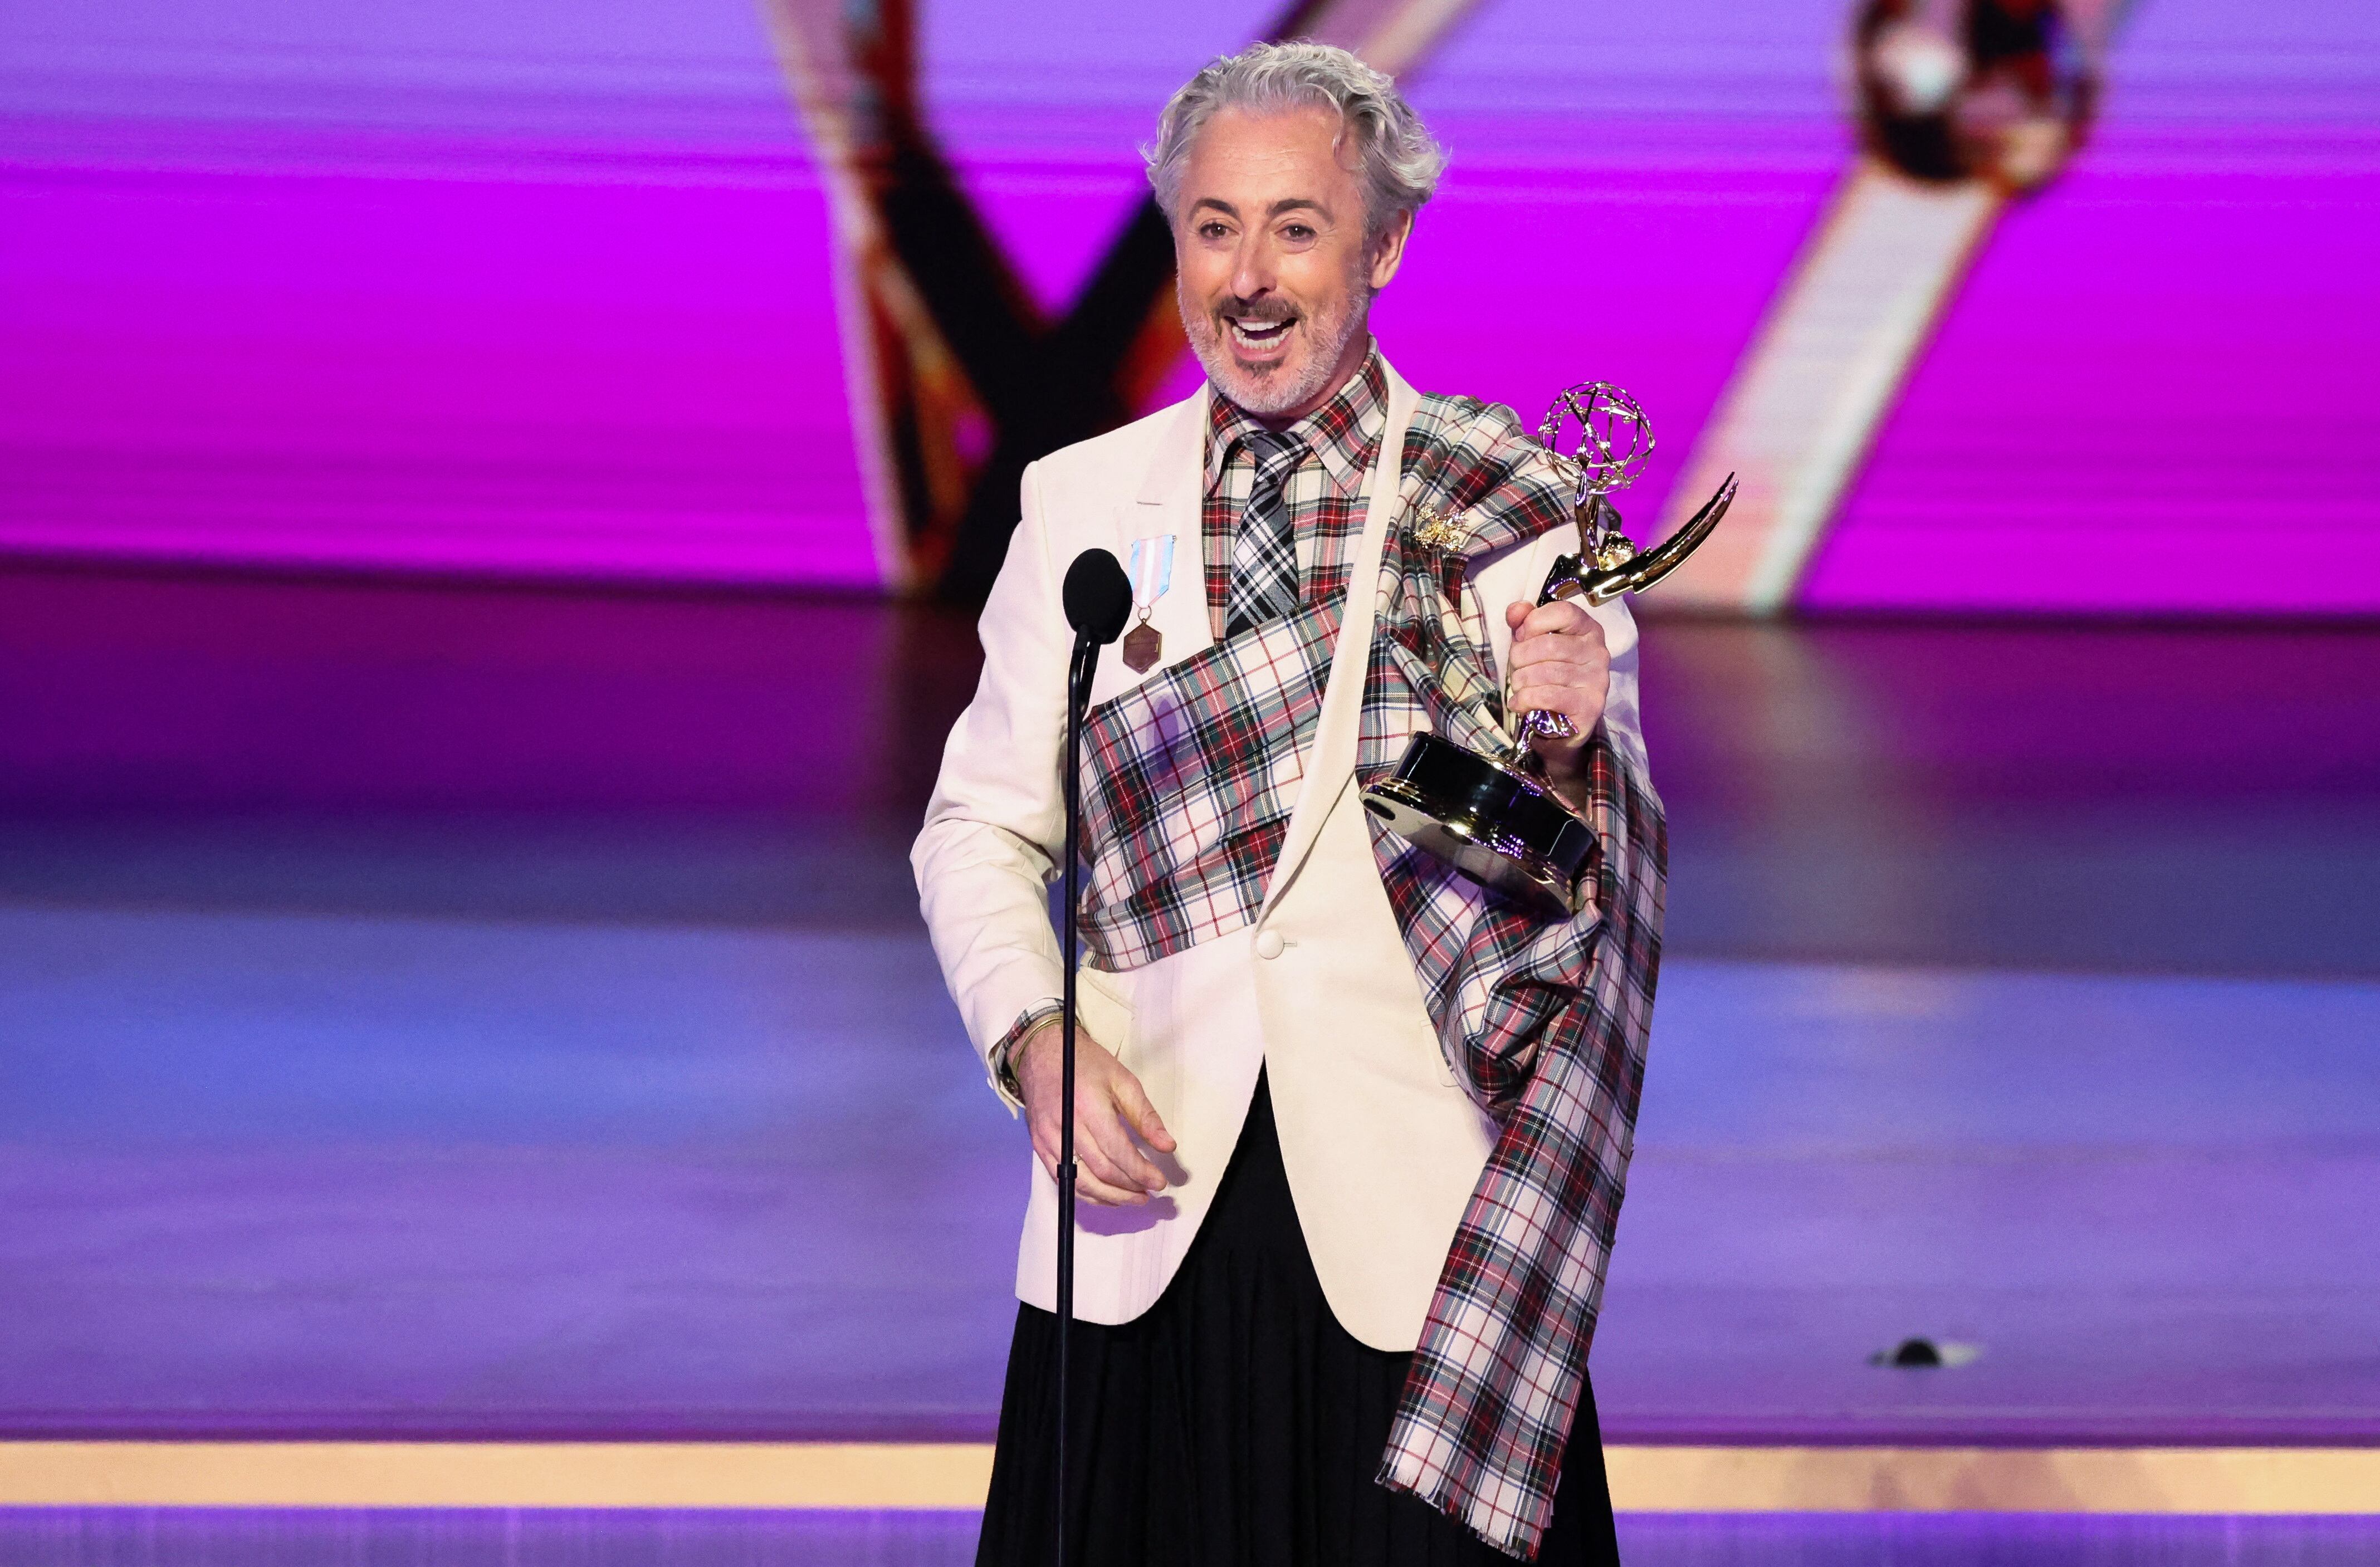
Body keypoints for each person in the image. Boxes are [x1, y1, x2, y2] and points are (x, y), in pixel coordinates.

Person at [913, 41, 1665, 1566]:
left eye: (1296, 228)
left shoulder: (1500, 504)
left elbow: (1575, 880)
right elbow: (979, 827)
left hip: (1415, 1239)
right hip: (1141, 1221)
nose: (1247, 278)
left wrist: (1573, 746)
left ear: (1382, 246)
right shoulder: (1079, 501)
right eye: (1213, 226)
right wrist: (1031, 1035)